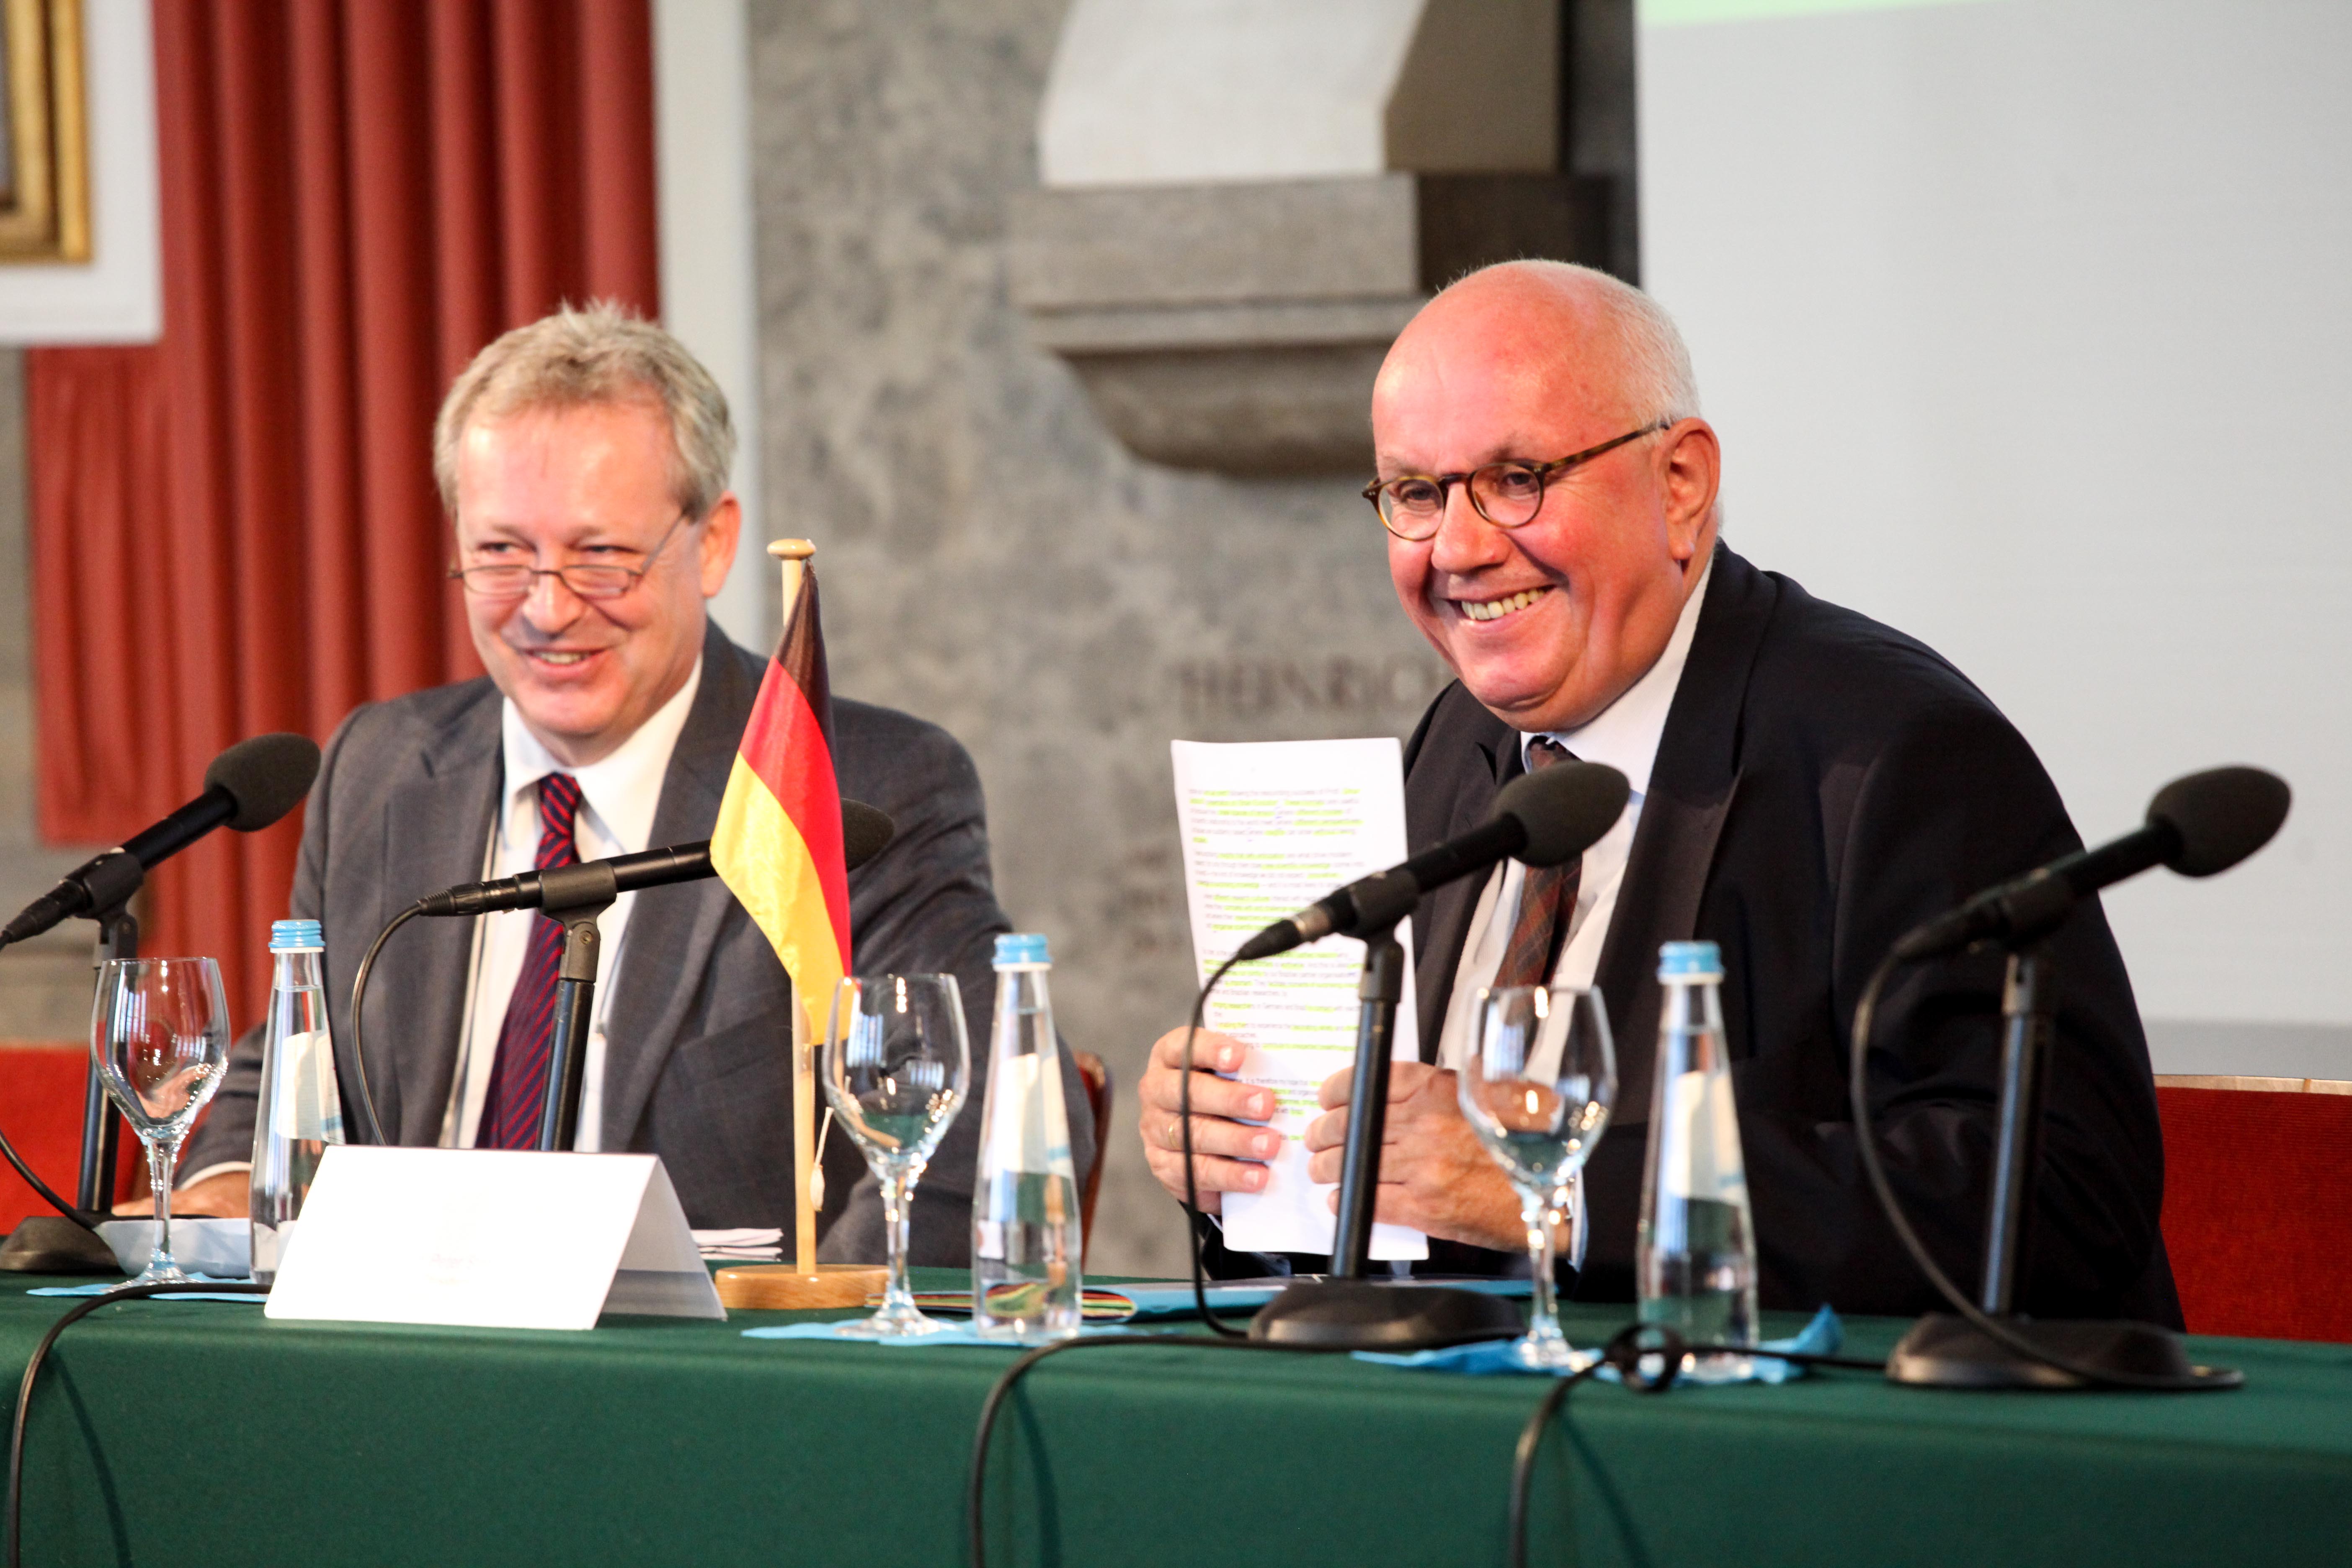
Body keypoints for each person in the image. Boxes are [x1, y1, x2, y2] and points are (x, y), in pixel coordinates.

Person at [1138, 260, 2177, 1323]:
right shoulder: (1461, 742)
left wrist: (1570, 1194)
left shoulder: (1891, 751)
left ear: (1680, 483)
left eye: (1515, 479)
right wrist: (1252, 1166)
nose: (1458, 548)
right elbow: (1422, 1208)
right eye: (1415, 493)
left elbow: (2059, 1189)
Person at [175, 304, 1093, 1262]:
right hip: (403, 1353)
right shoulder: (383, 768)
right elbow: (291, 1058)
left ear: (712, 544)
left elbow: (975, 1131)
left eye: (600, 556)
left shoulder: (852, 788)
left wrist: (819, 1368)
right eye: (500, 553)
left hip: (698, 1385)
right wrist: (226, 1190)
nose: (547, 607)